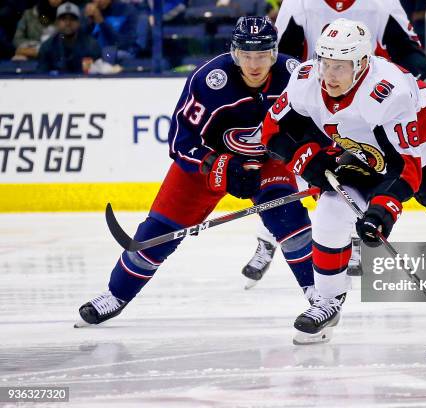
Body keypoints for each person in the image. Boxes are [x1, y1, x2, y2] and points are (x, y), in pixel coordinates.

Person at [262, 18, 426, 344]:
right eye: (326, 63)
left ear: (361, 65)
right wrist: (307, 159)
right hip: (365, 154)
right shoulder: (305, 79)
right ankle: (328, 300)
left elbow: (406, 169)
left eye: (340, 67)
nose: (329, 75)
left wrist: (381, 214)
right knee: (330, 212)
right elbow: (272, 129)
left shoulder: (386, 92)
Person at [75, 16, 316, 327]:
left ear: (273, 53)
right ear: (234, 53)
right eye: (246, 55)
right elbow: (180, 140)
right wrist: (219, 167)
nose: (254, 65)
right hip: (208, 163)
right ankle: (116, 294)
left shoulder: (295, 76)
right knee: (156, 234)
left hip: (269, 159)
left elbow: (316, 125)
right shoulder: (210, 81)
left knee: (289, 219)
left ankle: (319, 294)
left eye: (262, 56)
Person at [241, 0, 426, 285]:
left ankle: (354, 242)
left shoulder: (381, 3)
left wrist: (424, 76)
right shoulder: (299, 4)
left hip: (365, 110)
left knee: (359, 179)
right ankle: (268, 239)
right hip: (318, 106)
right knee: (290, 176)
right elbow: (283, 57)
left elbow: (405, 48)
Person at [37, 2, 101, 74]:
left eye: (72, 19)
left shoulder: (91, 45)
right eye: (63, 19)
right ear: (57, 22)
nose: (68, 23)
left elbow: (98, 75)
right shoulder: (47, 46)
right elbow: (41, 76)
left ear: (79, 22)